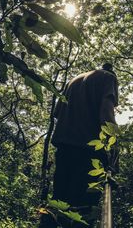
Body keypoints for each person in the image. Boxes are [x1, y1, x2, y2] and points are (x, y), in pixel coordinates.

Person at [45, 63, 119, 228]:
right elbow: (106, 113)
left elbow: (58, 114)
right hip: (89, 152)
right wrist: (114, 148)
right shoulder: (109, 78)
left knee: (58, 205)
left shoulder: (73, 80)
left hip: (64, 149)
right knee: (84, 210)